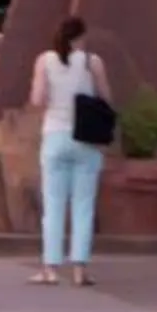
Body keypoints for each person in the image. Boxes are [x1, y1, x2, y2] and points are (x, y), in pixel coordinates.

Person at [28, 15, 111, 287]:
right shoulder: (92, 61)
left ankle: (50, 268)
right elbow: (106, 98)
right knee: (83, 205)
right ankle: (80, 269)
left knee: (53, 205)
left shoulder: (45, 61)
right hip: (86, 139)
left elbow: (37, 99)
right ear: (80, 37)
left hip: (54, 135)